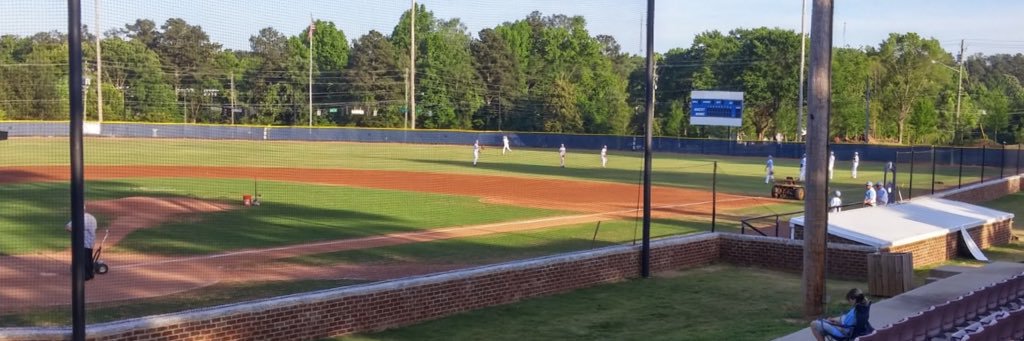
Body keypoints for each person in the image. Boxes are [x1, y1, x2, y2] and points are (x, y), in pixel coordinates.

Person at [65, 209, 98, 281]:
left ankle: (85, 276)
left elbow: (68, 227)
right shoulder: (92, 217)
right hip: (91, 242)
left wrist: (72, 229)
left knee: (83, 259)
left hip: (82, 243)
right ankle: (90, 274)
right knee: (88, 258)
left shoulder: (81, 218)